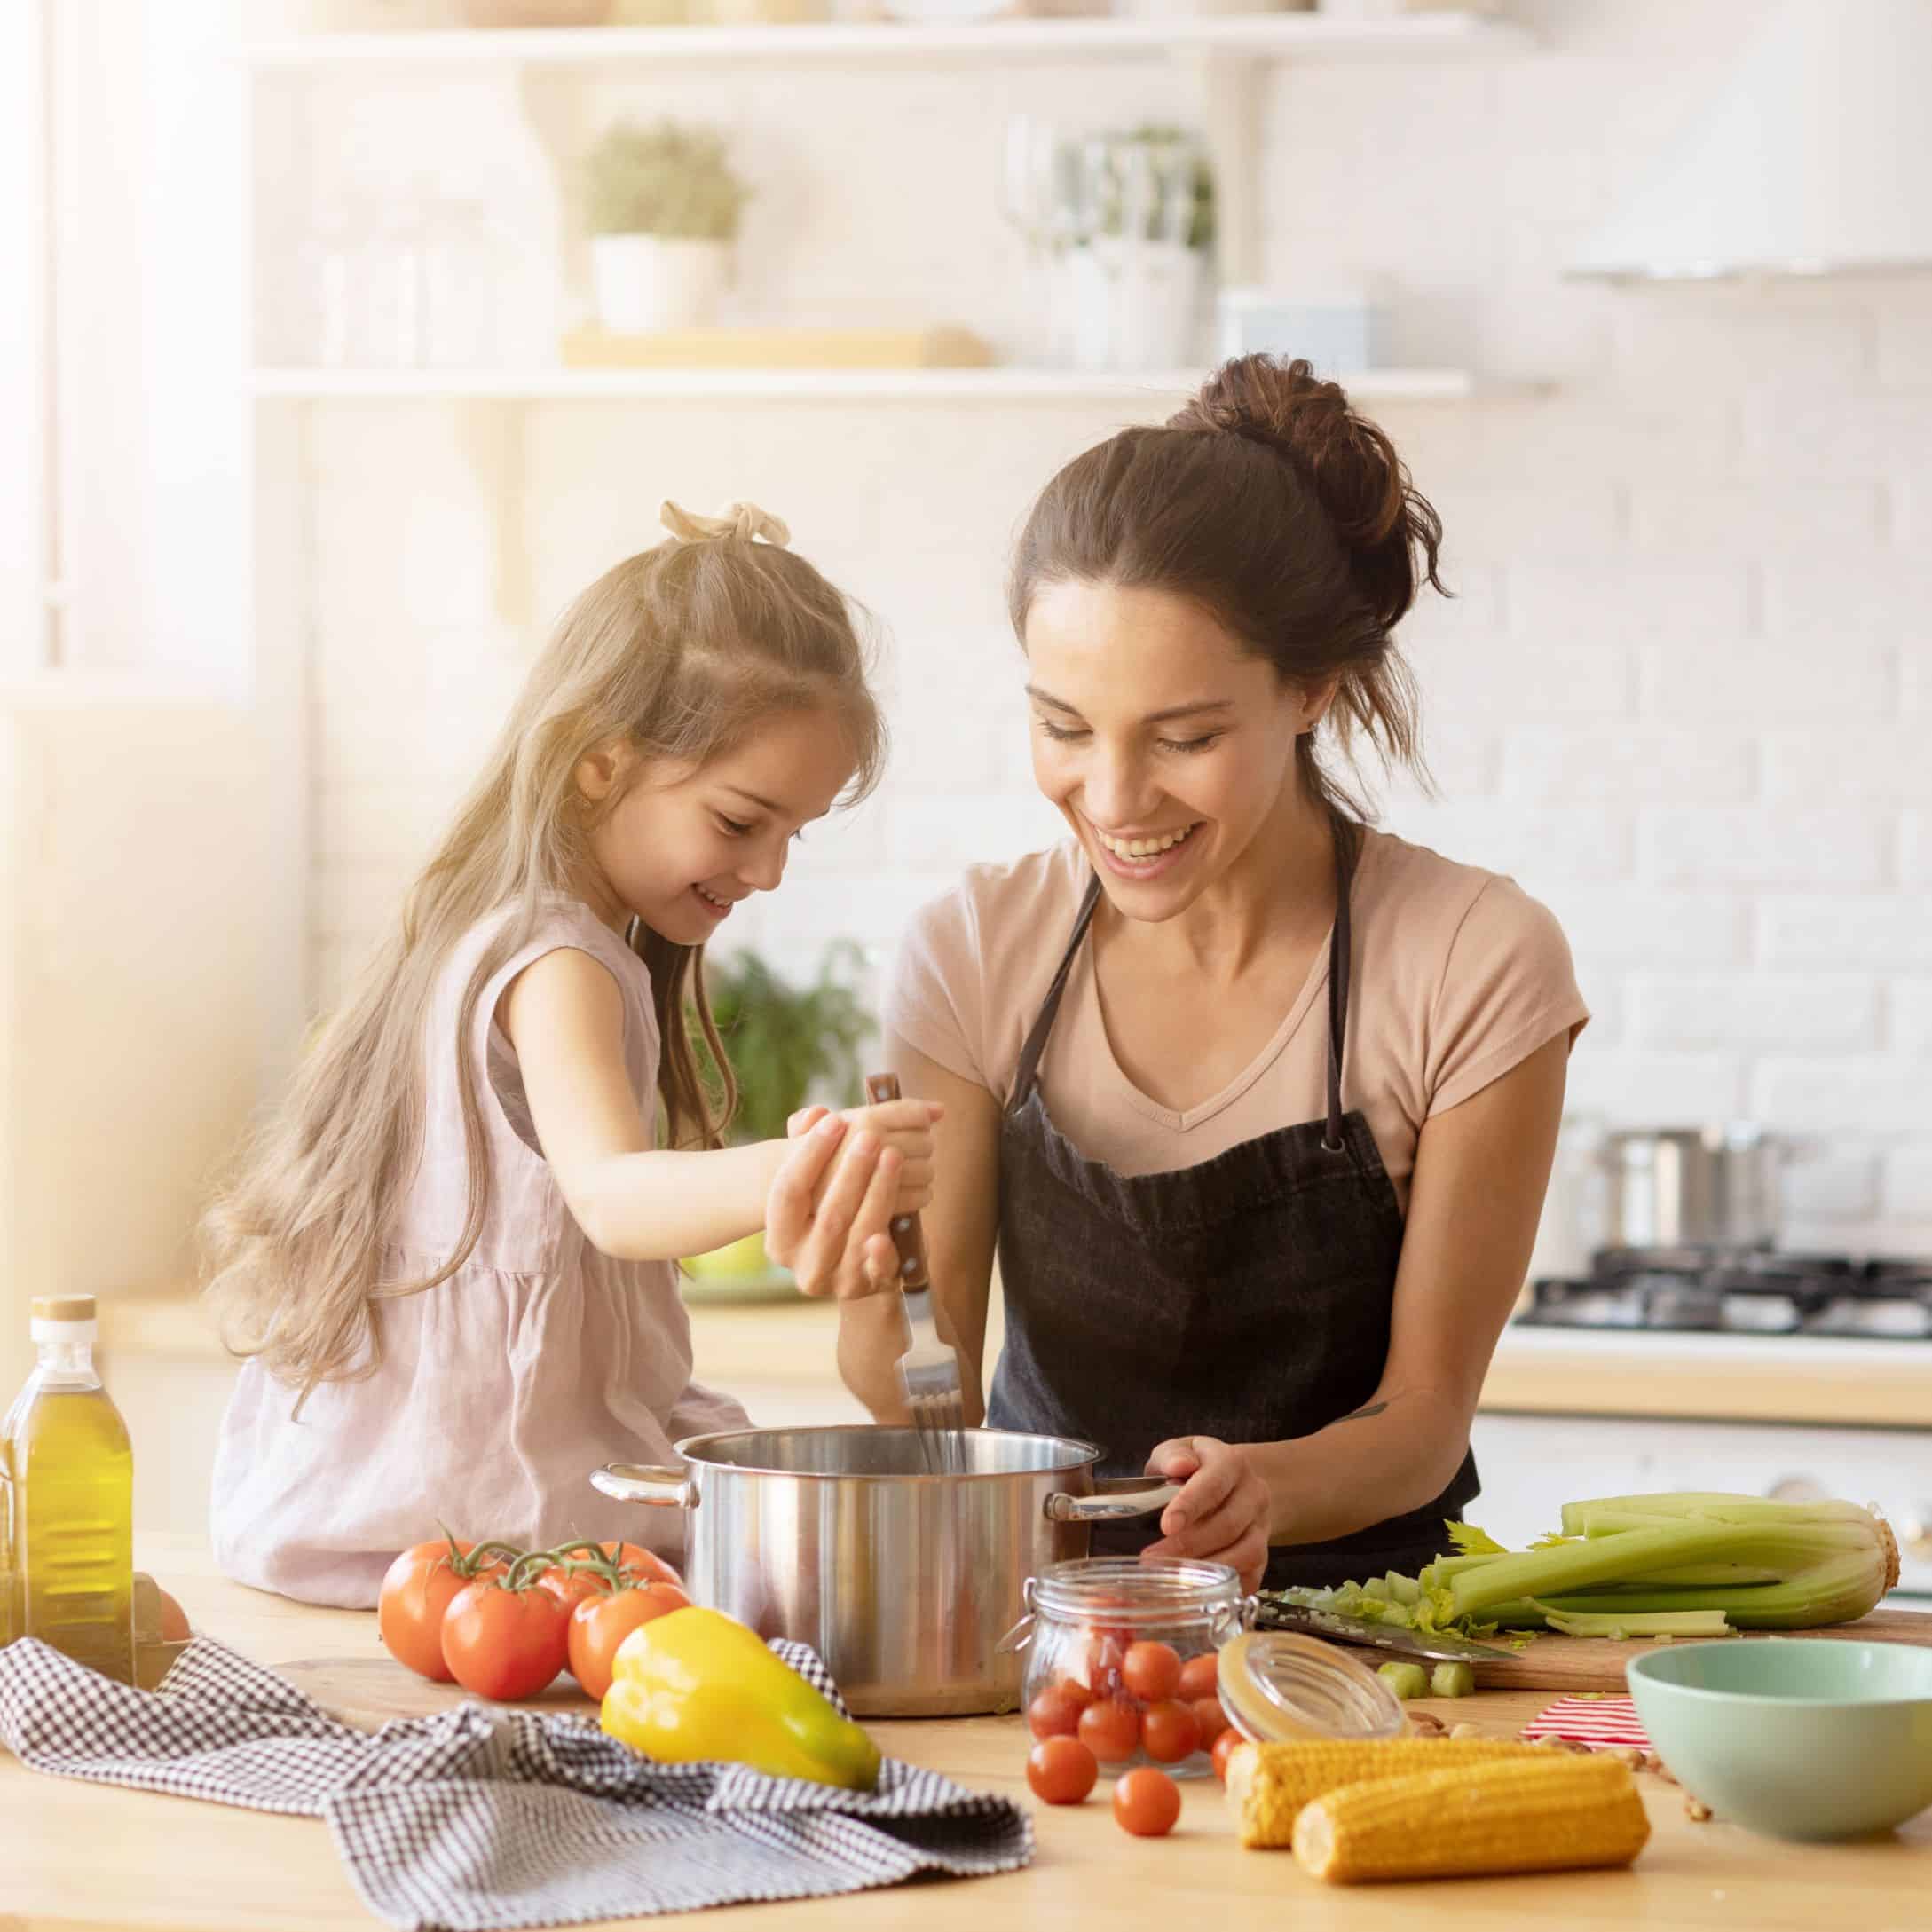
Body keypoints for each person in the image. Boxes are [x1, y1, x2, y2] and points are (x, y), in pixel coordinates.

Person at [808, 358, 1589, 1596]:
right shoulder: (974, 951)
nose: (1114, 802)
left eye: (1185, 739)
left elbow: (1423, 1418)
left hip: (1367, 1626)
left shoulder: (1470, 959)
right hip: (1046, 1627)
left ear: (1310, 689)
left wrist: (1262, 1489)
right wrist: (872, 1294)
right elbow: (933, 1402)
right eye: (1064, 728)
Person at [205, 500, 939, 1608]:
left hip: (387, 1512)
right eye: (741, 821)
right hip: (490, 1523)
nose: (772, 870)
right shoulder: (561, 958)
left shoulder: (498, 926)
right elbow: (609, 1195)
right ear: (601, 763)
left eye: (796, 830)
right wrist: (804, 1158)